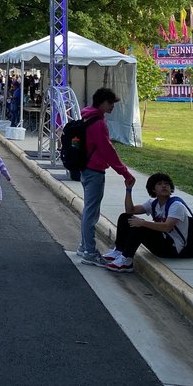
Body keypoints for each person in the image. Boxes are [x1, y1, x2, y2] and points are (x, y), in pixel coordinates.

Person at [76, 87, 136, 267]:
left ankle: (84, 246)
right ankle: (90, 252)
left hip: (85, 168)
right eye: (110, 103)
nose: (112, 107)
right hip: (94, 170)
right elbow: (107, 150)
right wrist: (124, 172)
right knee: (91, 212)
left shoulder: (88, 116)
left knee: (89, 210)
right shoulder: (99, 123)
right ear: (102, 102)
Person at [104, 172, 193, 273]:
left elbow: (167, 227)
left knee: (141, 227)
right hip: (162, 241)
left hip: (173, 248)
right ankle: (119, 251)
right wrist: (128, 190)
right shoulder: (153, 203)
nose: (164, 186)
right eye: (159, 184)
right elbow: (130, 210)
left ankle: (127, 260)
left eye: (167, 184)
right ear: (153, 189)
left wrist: (143, 223)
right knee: (125, 217)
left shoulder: (176, 205)